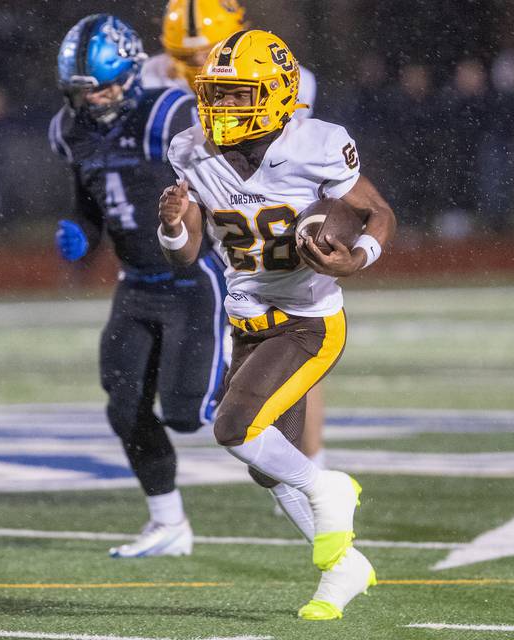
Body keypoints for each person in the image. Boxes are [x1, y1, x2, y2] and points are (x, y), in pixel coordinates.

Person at [157, 30, 396, 620]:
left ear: (275, 95)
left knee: (234, 428)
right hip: (248, 322)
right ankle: (343, 571)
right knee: (269, 467)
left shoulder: (317, 145)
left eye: (238, 96)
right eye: (216, 94)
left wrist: (357, 255)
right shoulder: (191, 149)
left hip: (308, 322)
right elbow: (184, 257)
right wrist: (170, 226)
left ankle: (327, 488)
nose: (222, 108)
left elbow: (378, 212)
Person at [49, 14, 227, 558]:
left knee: (186, 415)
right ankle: (168, 523)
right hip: (136, 284)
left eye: (102, 86)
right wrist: (82, 230)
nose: (94, 99)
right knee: (123, 408)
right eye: (83, 90)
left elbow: (231, 179)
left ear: (130, 75)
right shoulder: (69, 129)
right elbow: (92, 198)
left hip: (193, 278)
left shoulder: (169, 114)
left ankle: (269, 396)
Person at [144, 0, 328, 473]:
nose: (190, 69)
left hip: (255, 221)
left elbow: (289, 164)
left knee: (297, 331)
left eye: (201, 54)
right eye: (181, 58)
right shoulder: (153, 76)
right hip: (193, 200)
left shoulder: (284, 77)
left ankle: (310, 461)